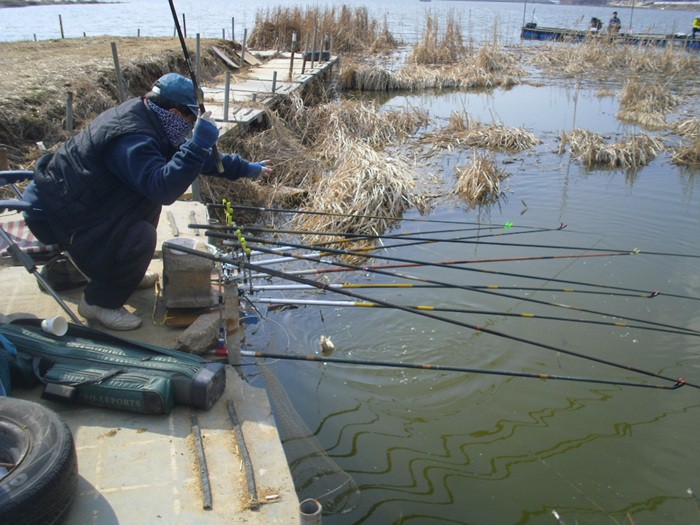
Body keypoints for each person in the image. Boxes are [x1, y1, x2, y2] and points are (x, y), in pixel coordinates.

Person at [22, 73, 272, 331]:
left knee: (146, 204)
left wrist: (245, 168)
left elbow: (191, 157)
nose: (191, 127)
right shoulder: (131, 136)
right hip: (57, 214)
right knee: (140, 236)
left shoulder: (151, 117)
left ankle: (124, 274)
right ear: (175, 112)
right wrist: (197, 145)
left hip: (82, 200)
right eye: (191, 120)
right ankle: (99, 302)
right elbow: (163, 188)